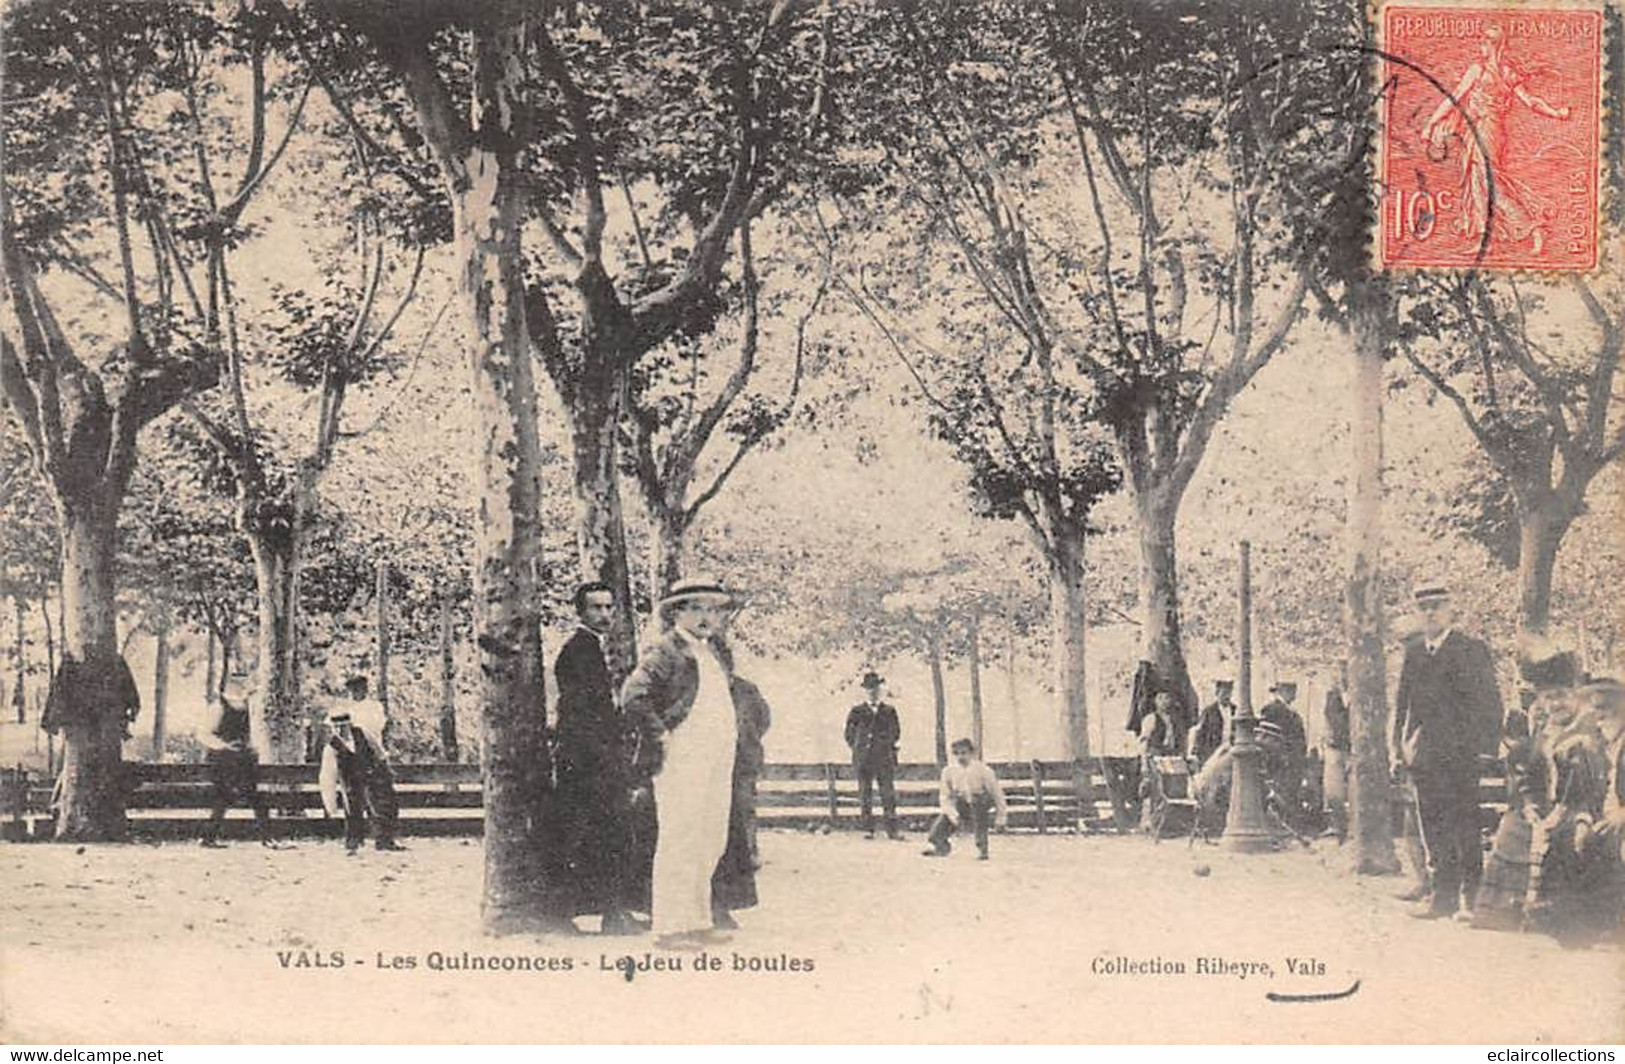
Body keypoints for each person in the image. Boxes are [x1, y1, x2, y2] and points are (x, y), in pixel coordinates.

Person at [621, 575, 742, 947]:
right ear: (677, 612)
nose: (706, 616)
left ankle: (698, 920)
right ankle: (670, 927)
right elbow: (633, 696)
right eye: (695, 608)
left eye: (712, 608)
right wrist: (662, 735)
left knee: (710, 837)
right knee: (681, 836)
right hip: (683, 755)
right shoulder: (665, 650)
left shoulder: (714, 652)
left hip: (716, 754)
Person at [1392, 583, 1504, 920]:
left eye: (1437, 606)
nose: (1430, 613)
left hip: (1461, 756)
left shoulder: (1471, 649)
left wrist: (1485, 748)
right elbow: (1403, 706)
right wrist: (1398, 747)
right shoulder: (1414, 653)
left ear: (1450, 609)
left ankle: (1472, 899)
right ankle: (1442, 898)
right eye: (1423, 608)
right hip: (1424, 756)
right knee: (1433, 827)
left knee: (1465, 826)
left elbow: (1491, 705)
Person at [1421, 22, 1572, 252]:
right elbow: (1531, 102)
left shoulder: (1479, 70)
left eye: (1485, 40)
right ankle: (1485, 238)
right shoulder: (1506, 73)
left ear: (1494, 45)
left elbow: (1454, 98)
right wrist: (1556, 113)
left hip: (1486, 130)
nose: (1481, 44)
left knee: (1489, 183)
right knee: (1478, 182)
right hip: (1488, 130)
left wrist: (1431, 123)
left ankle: (1531, 227)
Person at [549, 581, 637, 935]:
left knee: (600, 835)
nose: (604, 614)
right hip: (587, 762)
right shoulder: (578, 651)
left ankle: (609, 913)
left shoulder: (592, 649)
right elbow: (581, 714)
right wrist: (609, 760)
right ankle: (593, 914)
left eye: (608, 607)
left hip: (593, 758)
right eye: (596, 607)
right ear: (580, 611)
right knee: (592, 835)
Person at [712, 674, 772, 927]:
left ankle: (724, 899)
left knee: (740, 818)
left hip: (740, 764)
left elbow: (763, 719)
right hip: (715, 765)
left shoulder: (746, 689)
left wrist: (748, 742)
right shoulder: (698, 685)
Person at [318, 683, 405, 855]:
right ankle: (353, 841)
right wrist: (330, 805)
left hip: (371, 770)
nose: (341, 730)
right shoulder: (332, 747)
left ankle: (384, 840)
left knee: (383, 805)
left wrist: (385, 769)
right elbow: (327, 775)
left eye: (344, 725)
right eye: (337, 727)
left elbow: (378, 751)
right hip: (350, 776)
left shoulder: (362, 732)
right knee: (352, 806)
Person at [200, 677, 278, 848]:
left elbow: (255, 733)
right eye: (239, 685)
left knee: (256, 797)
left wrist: (253, 747)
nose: (242, 689)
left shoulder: (249, 707)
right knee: (223, 797)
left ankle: (267, 837)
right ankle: (208, 838)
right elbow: (204, 734)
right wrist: (224, 746)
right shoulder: (218, 707)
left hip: (244, 758)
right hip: (222, 760)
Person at [923, 739, 1007, 860]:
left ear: (972, 753)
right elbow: (944, 797)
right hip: (960, 804)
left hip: (980, 804)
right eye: (957, 753)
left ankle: (982, 848)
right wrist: (953, 815)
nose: (960, 757)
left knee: (977, 802)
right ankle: (941, 847)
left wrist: (1001, 818)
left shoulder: (984, 770)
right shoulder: (948, 771)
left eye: (964, 753)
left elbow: (997, 795)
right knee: (934, 834)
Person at [844, 671, 902, 839]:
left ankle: (892, 830)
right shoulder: (856, 711)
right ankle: (867, 829)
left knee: (887, 794)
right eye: (869, 688)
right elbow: (849, 734)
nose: (872, 691)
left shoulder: (889, 711)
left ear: (880, 689)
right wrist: (859, 749)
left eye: (875, 687)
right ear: (865, 690)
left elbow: (895, 733)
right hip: (864, 759)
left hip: (884, 758)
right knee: (865, 794)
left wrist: (883, 746)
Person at [1322, 684, 1351, 842]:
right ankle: (1338, 826)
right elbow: (1332, 721)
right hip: (1335, 748)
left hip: (1351, 749)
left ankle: (1348, 828)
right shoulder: (1332, 696)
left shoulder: (1358, 695)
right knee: (1334, 791)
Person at [1188, 679, 1237, 767]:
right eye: (1224, 693)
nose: (1227, 696)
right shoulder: (1209, 712)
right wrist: (1195, 753)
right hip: (1213, 752)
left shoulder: (1235, 710)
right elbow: (1200, 733)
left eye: (1229, 693)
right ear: (1217, 693)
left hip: (1230, 751)